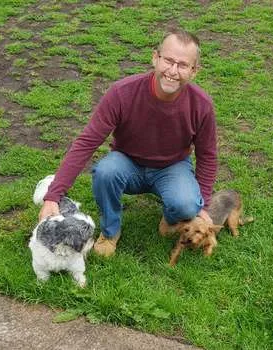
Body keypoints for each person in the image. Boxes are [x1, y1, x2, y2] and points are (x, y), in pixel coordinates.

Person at [39, 28, 218, 257]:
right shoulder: (122, 93)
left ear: (194, 71)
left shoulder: (201, 105)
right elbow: (87, 142)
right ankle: (110, 231)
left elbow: (208, 156)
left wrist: (202, 206)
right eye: (168, 61)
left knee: (186, 205)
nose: (173, 71)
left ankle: (171, 217)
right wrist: (53, 195)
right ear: (155, 57)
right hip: (127, 162)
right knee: (105, 172)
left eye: (183, 65)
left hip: (172, 167)